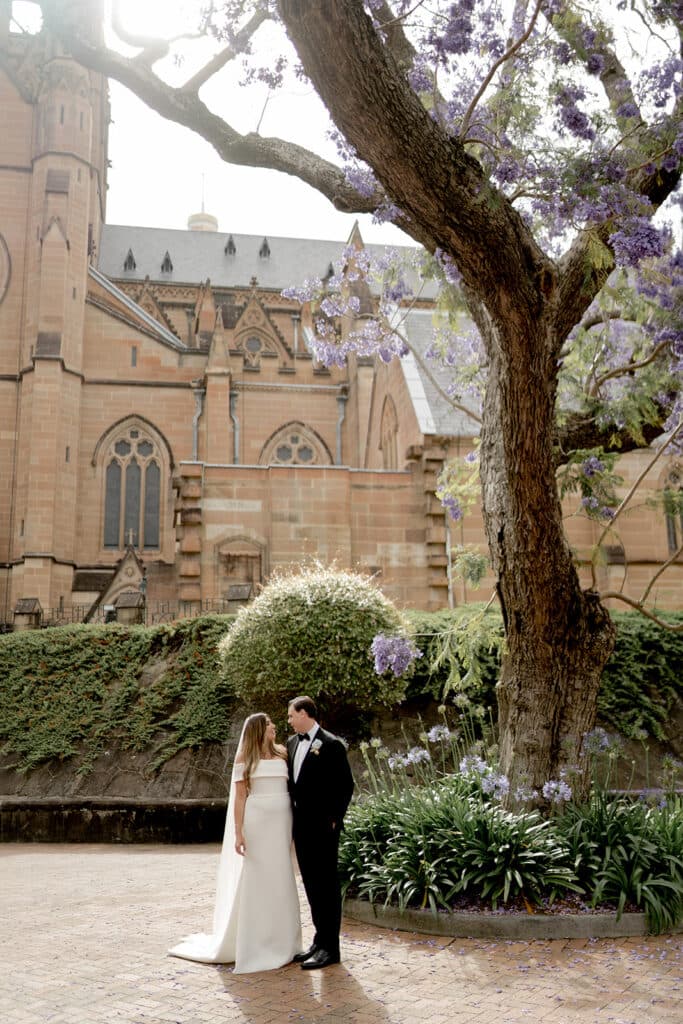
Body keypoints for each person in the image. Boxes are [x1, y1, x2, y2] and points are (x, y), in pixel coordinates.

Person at [168, 713, 302, 973]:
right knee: (259, 877)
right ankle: (258, 942)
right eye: (269, 724)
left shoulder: (283, 752)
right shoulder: (245, 758)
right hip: (258, 823)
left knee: (282, 875)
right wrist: (239, 833)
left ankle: (287, 941)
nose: (274, 727)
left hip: (282, 823)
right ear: (258, 730)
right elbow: (240, 797)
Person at [287, 695, 354, 970]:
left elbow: (345, 785)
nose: (289, 720)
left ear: (305, 714)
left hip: (324, 829)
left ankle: (331, 948)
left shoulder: (331, 744)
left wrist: (334, 819)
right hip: (301, 828)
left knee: (327, 887)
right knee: (312, 886)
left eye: (291, 715)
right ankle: (319, 940)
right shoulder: (291, 744)